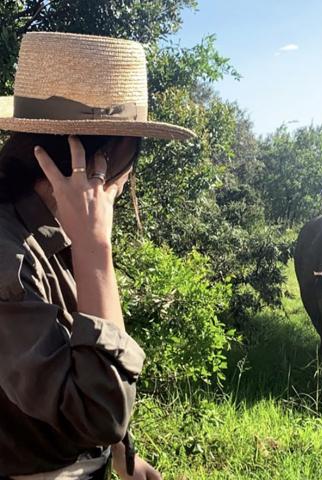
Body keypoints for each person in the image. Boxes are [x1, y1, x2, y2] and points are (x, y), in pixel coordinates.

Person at [0, 31, 195, 479]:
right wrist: (96, 249)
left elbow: (81, 355)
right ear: (104, 159)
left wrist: (122, 454)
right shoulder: (11, 255)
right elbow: (96, 414)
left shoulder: (52, 229)